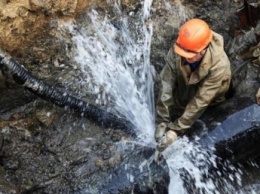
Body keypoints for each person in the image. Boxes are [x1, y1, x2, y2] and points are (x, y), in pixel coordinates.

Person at [155, 18, 232, 152]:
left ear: (203, 50)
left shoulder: (219, 65)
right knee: (177, 104)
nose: (185, 57)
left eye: (189, 55)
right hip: (184, 89)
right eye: (183, 53)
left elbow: (201, 100)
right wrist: (162, 120)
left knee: (200, 127)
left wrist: (175, 130)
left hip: (210, 102)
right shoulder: (181, 47)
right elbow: (166, 82)